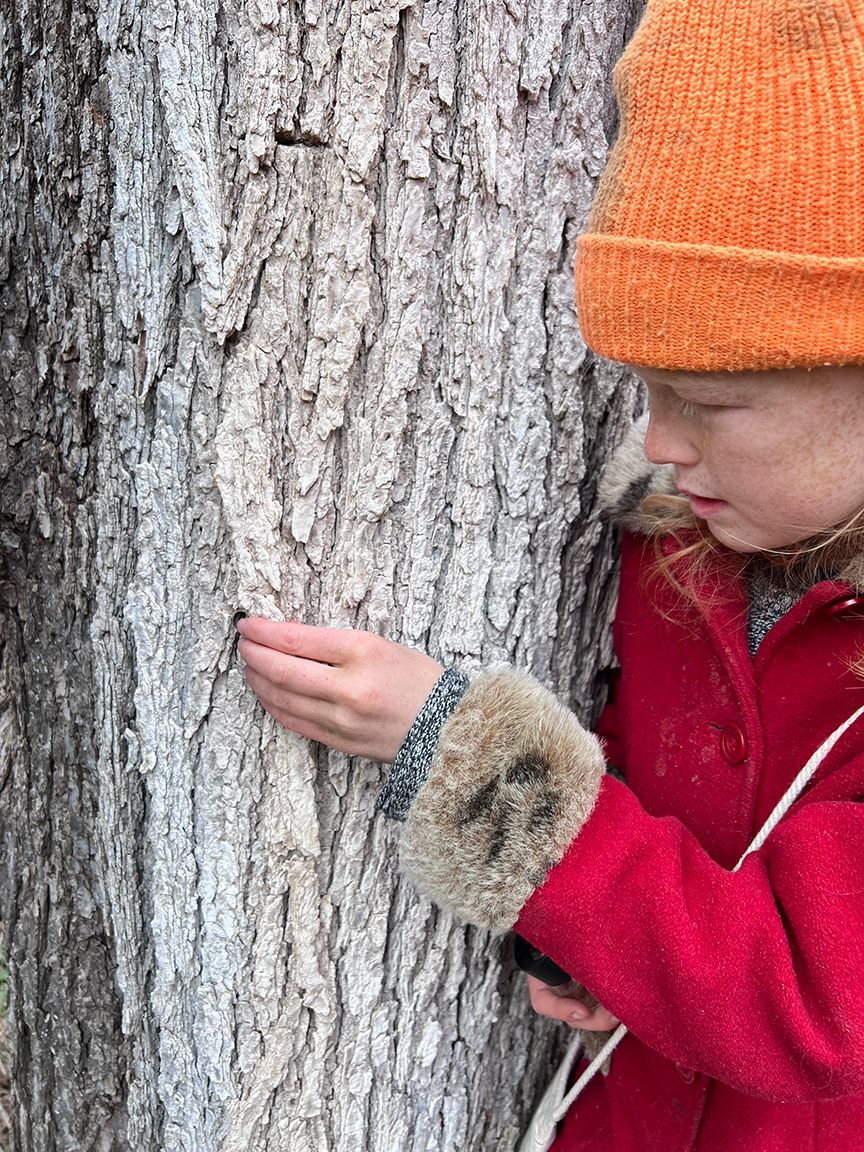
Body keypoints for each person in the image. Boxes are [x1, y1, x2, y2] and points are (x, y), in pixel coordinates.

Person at [235, 1, 864, 1148]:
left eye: (711, 402)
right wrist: (582, 932)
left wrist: (472, 761)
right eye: (647, 390)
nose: (661, 443)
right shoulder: (689, 542)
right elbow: (652, 757)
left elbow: (816, 1008)